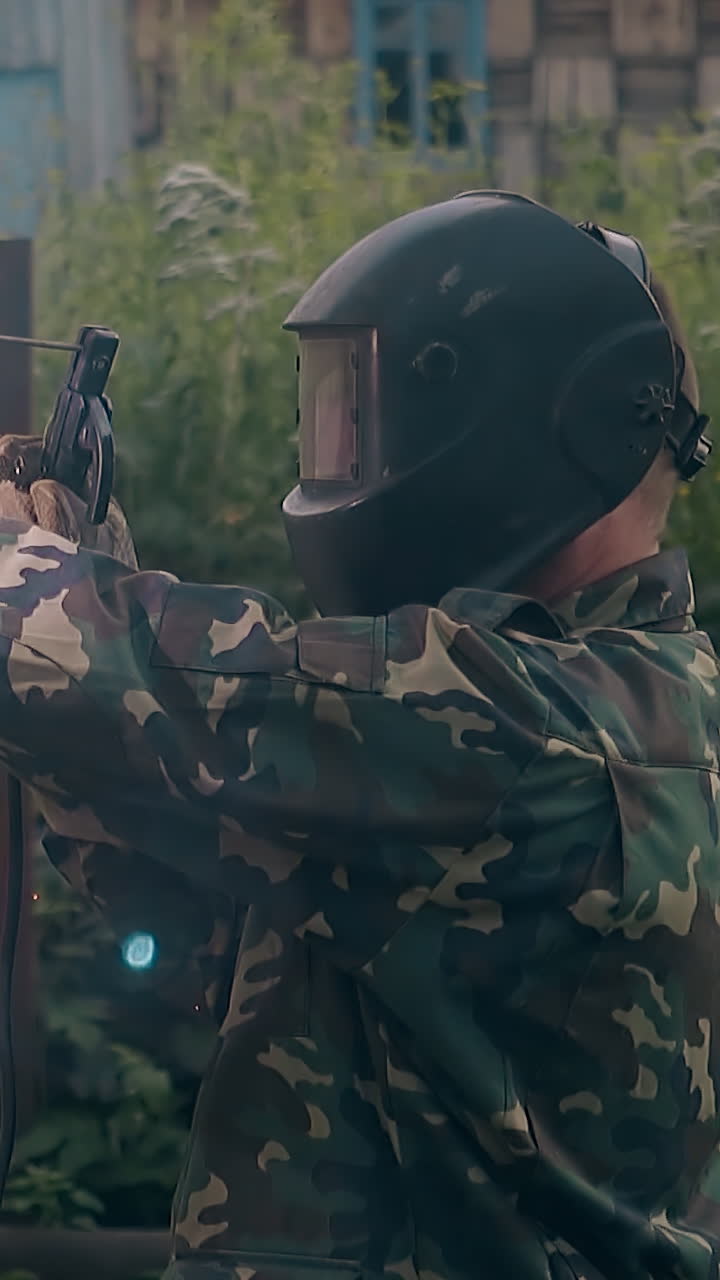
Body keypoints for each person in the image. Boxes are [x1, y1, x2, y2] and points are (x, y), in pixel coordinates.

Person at [0, 190, 716, 1280]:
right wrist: (77, 561)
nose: (333, 453)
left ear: (515, 412)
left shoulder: (534, 727)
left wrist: (26, 568)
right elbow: (211, 899)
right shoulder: (633, 702)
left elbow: (139, 675)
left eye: (354, 414)